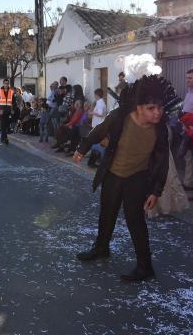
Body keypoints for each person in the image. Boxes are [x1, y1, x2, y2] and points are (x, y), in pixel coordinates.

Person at [73, 53, 180, 282]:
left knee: (135, 220)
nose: (157, 113)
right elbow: (98, 131)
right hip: (113, 173)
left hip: (137, 177)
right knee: (107, 213)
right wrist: (82, 148)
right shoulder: (120, 116)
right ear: (139, 107)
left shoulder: (160, 129)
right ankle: (101, 248)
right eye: (152, 108)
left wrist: (155, 191)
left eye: (160, 108)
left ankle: (145, 267)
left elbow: (161, 161)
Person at [0, 78, 17, 145]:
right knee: (3, 125)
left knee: (6, 125)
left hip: (8, 111)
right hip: (1, 111)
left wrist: (13, 109)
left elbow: (14, 102)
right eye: (5, 83)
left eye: (7, 83)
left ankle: (4, 138)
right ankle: (4, 139)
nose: (6, 85)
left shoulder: (11, 91)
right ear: (3, 84)